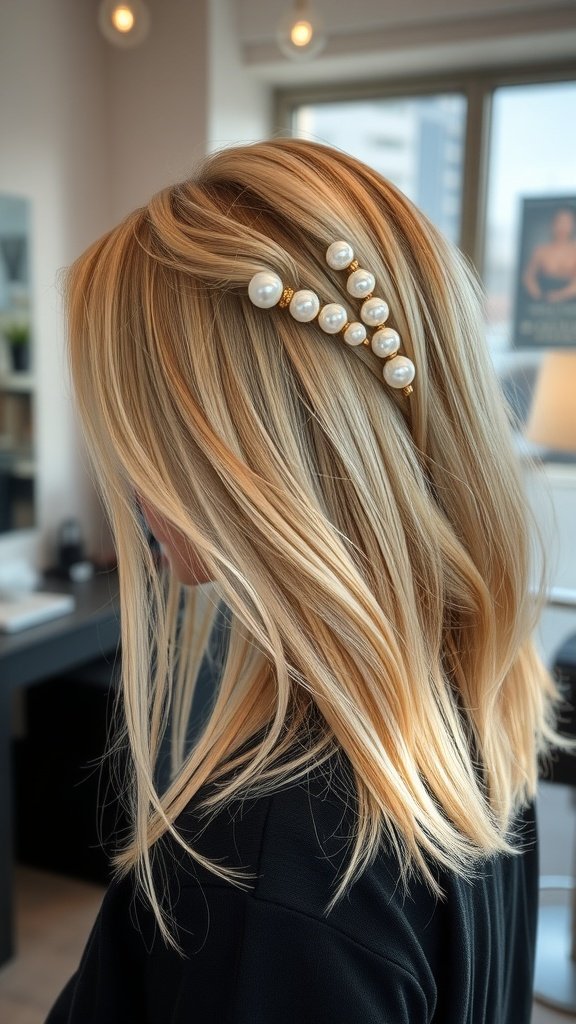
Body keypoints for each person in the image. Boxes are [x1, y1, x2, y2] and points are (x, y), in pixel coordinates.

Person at [46, 138, 561, 1023]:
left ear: (241, 456)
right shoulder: (467, 708)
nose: (129, 487)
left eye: (143, 429)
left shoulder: (266, 874)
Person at [522, 206, 576, 304]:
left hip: (570, 306)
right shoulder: (541, 251)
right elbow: (528, 277)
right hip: (544, 303)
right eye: (560, 222)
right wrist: (537, 294)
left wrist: (559, 295)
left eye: (567, 222)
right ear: (552, 224)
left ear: (572, 225)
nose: (563, 226)